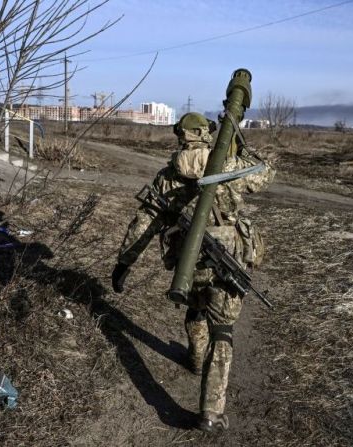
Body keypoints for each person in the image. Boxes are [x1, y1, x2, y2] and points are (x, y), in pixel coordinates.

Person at [111, 112, 274, 432]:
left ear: (181, 136)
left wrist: (124, 262)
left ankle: (196, 359)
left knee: (196, 307)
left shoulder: (167, 176)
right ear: (206, 134)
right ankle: (211, 412)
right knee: (222, 330)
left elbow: (145, 222)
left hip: (188, 265)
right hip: (227, 260)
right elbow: (266, 174)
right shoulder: (226, 168)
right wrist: (243, 148)